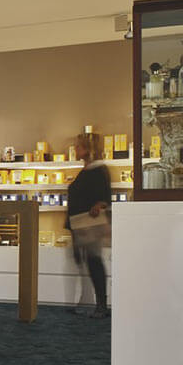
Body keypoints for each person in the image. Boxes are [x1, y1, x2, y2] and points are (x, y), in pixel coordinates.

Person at [66, 132, 111, 318]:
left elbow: (105, 197)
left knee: (93, 262)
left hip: (88, 225)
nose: (75, 149)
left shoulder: (97, 170)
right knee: (86, 262)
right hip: (79, 224)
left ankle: (100, 305)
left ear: (87, 149)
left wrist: (99, 205)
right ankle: (88, 301)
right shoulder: (88, 170)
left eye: (78, 146)